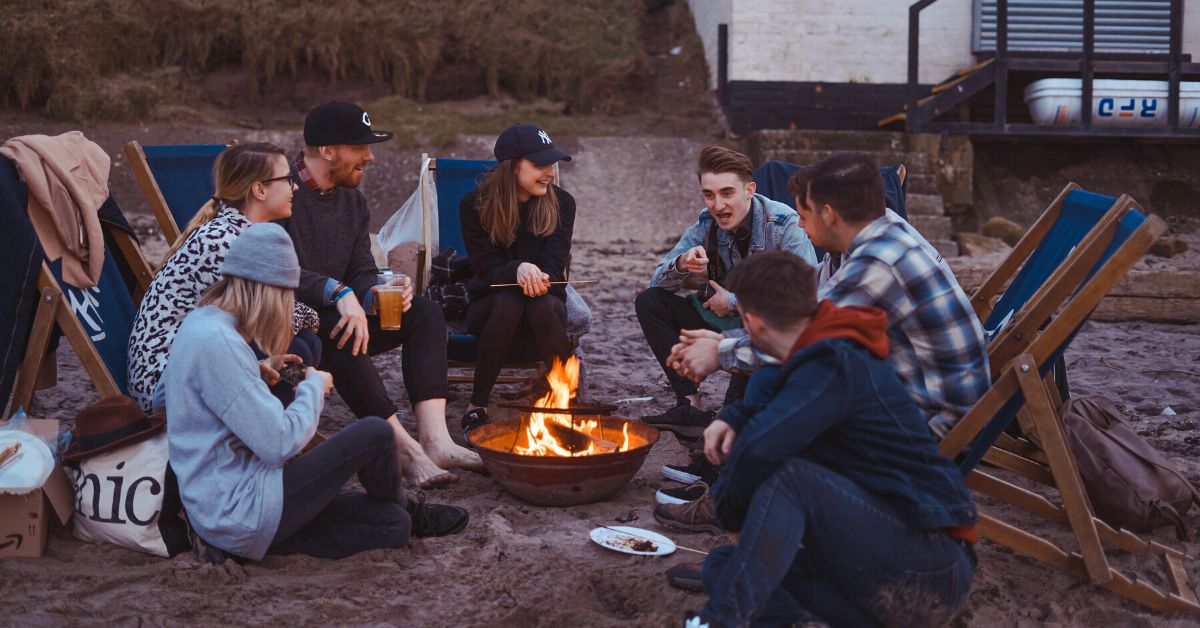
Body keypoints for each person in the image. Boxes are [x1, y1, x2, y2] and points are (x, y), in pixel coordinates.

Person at [674, 252, 977, 627]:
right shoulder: (803, 357)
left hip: (930, 566)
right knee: (724, 566)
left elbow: (762, 449)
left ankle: (720, 622)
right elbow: (769, 401)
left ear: (750, 322)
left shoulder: (836, 361)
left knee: (790, 479)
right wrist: (733, 417)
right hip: (875, 571)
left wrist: (731, 515)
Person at [164, 224, 468, 563]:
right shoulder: (219, 343)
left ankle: (400, 512)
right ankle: (406, 505)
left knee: (392, 526)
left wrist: (256, 371)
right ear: (267, 289)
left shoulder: (204, 323)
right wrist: (313, 387)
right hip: (240, 507)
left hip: (232, 506)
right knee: (376, 433)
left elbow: (210, 400)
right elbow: (278, 444)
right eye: (286, 296)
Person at [669, 152, 989, 439]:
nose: (798, 224)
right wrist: (725, 340)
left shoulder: (880, 262)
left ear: (829, 214)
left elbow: (807, 339)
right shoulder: (869, 234)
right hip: (905, 386)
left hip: (935, 421)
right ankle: (722, 478)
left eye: (804, 216)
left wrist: (719, 353)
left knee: (785, 389)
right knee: (771, 378)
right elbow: (808, 310)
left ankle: (727, 486)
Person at [281, 101, 481, 488]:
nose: (370, 157)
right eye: (360, 148)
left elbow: (360, 268)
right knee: (341, 329)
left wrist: (377, 290)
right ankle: (404, 450)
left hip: (346, 311)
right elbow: (278, 270)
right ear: (327, 151)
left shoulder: (352, 201)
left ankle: (436, 440)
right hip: (295, 322)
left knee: (424, 312)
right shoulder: (280, 191)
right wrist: (340, 294)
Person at [635, 145, 816, 439]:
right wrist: (682, 263)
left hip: (769, 330)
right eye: (709, 195)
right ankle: (690, 406)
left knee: (735, 412)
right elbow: (657, 281)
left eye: (727, 193)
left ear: (749, 190)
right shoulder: (706, 224)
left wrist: (731, 302)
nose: (717, 205)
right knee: (651, 302)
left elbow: (806, 298)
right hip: (723, 322)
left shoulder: (784, 224)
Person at [127, 143, 322, 412]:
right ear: (260, 189)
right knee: (298, 343)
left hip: (194, 363)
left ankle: (269, 423)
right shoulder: (224, 242)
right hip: (167, 386)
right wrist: (318, 313)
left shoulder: (232, 231)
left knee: (303, 345)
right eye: (288, 180)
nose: (295, 187)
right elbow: (273, 318)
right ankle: (266, 429)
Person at [457, 123, 576, 432]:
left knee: (538, 303)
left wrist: (536, 276)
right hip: (490, 307)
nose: (549, 172)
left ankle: (565, 401)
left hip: (546, 306)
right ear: (512, 167)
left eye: (551, 163)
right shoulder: (475, 205)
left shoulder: (562, 204)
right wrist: (518, 268)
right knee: (510, 301)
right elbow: (487, 269)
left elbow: (554, 264)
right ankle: (477, 404)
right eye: (540, 164)